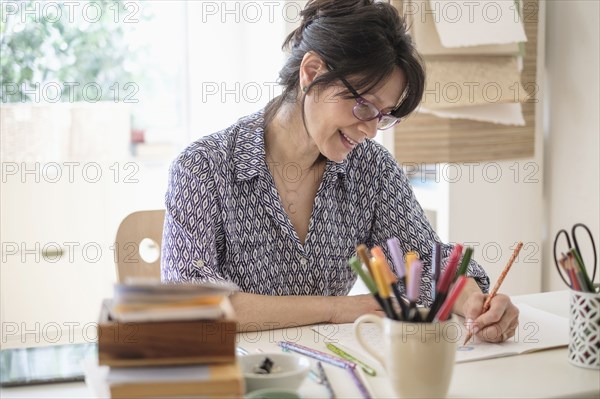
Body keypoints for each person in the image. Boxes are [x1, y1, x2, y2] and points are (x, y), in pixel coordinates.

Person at [161, 0, 519, 342]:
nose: (371, 129)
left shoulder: (371, 169)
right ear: (312, 72)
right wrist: (334, 308)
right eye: (364, 106)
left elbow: (422, 264)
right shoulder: (203, 168)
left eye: (385, 114)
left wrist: (472, 301)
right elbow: (191, 306)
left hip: (335, 368)